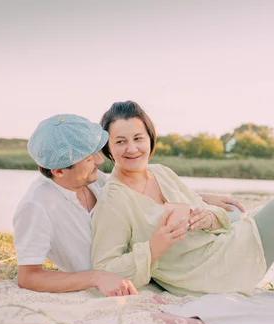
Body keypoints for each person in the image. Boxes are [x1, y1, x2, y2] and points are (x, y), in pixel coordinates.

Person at [91, 101, 274, 296]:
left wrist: (207, 218)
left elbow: (215, 219)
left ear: (150, 139)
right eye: (120, 141)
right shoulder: (114, 201)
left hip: (221, 248)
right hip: (210, 273)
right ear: (108, 148)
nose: (132, 148)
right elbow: (105, 269)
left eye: (138, 138)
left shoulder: (162, 173)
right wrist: (154, 247)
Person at [13, 114, 244, 297]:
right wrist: (96, 277)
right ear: (58, 171)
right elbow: (28, 277)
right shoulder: (36, 206)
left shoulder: (93, 181)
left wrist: (202, 198)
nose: (100, 160)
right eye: (88, 159)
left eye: (95, 153)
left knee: (237, 218)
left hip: (143, 268)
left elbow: (135, 192)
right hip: (115, 271)